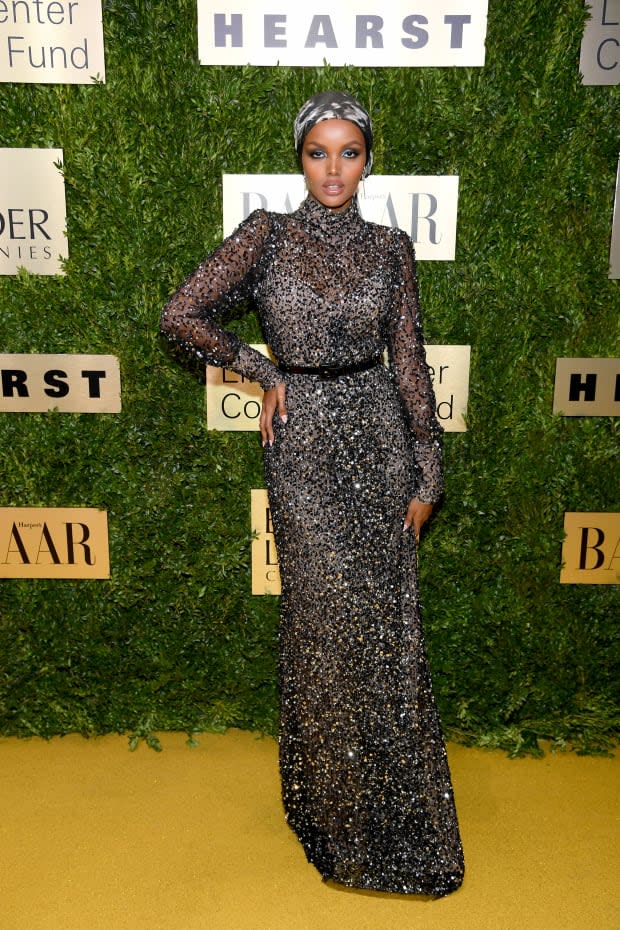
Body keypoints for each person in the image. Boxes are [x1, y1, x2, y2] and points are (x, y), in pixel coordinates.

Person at [160, 90, 464, 896]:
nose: (334, 168)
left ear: (369, 159)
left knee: (385, 629)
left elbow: (408, 359)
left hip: (378, 436)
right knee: (323, 625)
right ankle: (332, 816)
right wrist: (262, 369)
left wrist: (427, 462)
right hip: (302, 444)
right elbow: (180, 315)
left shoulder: (392, 248)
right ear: (300, 157)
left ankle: (393, 817)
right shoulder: (268, 233)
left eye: (350, 152)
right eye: (318, 152)